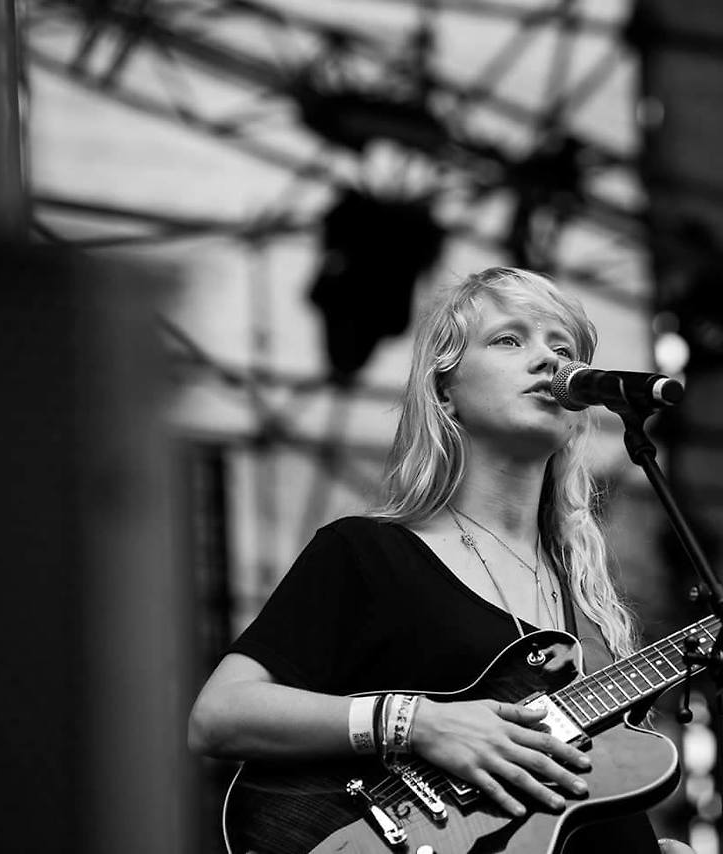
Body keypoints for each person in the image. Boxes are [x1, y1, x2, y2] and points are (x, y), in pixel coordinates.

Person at [189, 267, 693, 853]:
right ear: (444, 391)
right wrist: (419, 723)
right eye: (509, 339)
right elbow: (220, 716)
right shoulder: (368, 553)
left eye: (564, 349)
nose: (549, 361)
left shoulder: (589, 605)